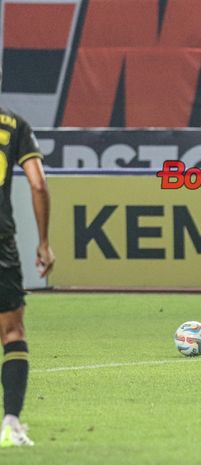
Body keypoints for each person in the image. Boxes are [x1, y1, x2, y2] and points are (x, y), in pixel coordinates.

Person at [0, 67, 55, 447]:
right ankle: (11, 423)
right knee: (12, 332)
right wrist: (44, 241)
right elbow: (38, 183)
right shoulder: (14, 124)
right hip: (0, 242)